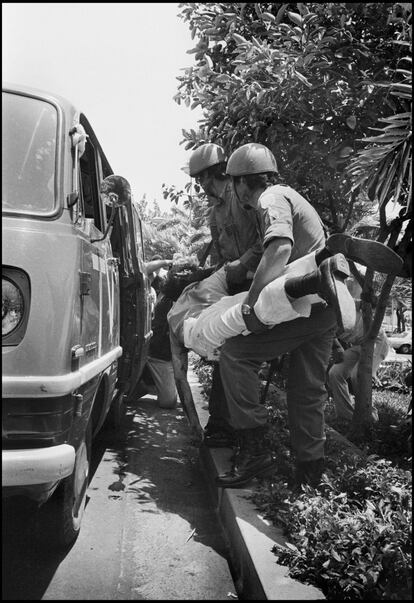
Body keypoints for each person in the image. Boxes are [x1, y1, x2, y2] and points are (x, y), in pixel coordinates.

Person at [207, 142, 402, 490]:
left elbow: (279, 247)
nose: (235, 194)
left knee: (235, 355)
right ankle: (310, 472)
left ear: (241, 183)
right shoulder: (289, 195)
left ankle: (256, 454)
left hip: (307, 303)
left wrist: (250, 305)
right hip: (325, 306)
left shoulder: (270, 199)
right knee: (306, 388)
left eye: (234, 184)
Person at [178, 143, 263, 447]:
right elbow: (222, 260)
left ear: (211, 175)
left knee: (239, 357)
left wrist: (245, 263)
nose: (202, 186)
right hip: (235, 288)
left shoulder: (245, 197)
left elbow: (269, 241)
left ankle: (238, 430)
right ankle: (221, 425)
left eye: (203, 179)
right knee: (224, 355)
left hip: (260, 285)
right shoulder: (214, 212)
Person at [328, 274, 390, 423]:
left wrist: (368, 297)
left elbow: (371, 303)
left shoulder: (343, 303)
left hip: (376, 341)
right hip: (358, 346)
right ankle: (347, 415)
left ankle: (370, 416)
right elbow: (330, 338)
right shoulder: (321, 320)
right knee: (335, 373)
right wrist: (335, 348)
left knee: (358, 374)